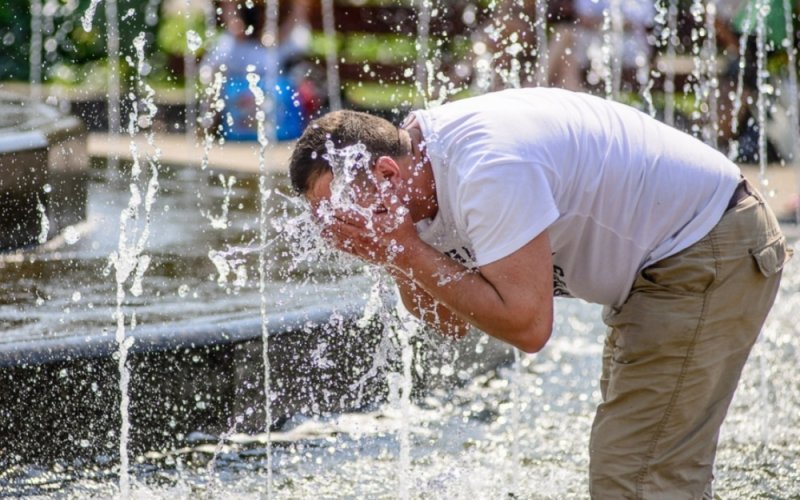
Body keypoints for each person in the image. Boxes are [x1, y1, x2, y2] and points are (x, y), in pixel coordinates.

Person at [288, 87, 792, 498]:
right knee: (652, 466)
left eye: (337, 206)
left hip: (707, 245)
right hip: (666, 263)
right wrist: (394, 253)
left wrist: (402, 251)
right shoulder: (416, 181)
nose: (337, 226)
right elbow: (449, 322)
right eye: (324, 216)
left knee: (635, 476)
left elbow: (529, 327)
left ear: (386, 174)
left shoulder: (485, 169)